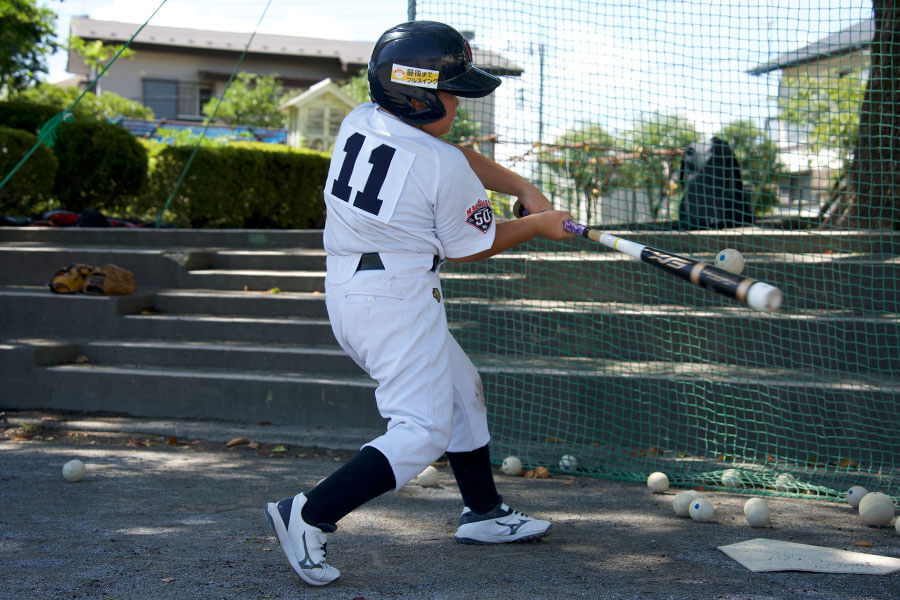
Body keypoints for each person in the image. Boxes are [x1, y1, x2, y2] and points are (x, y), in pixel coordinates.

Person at [265, 20, 575, 587]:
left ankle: (483, 511)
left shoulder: (365, 118)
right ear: (417, 93)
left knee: (462, 389)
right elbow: (471, 247)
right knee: (422, 430)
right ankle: (309, 514)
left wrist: (522, 189)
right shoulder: (438, 164)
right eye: (450, 91)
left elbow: (450, 155)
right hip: (394, 298)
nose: (458, 102)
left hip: (357, 288)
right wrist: (538, 225)